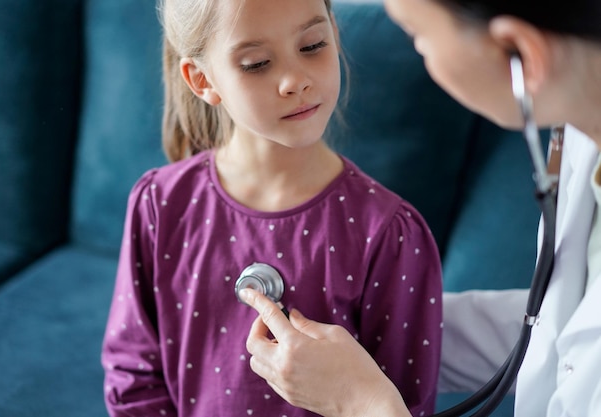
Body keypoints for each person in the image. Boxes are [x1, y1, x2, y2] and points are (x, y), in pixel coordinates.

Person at [239, 0, 601, 416]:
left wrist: (363, 403)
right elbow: (563, 323)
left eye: (418, 35)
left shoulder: (389, 224)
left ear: (520, 55)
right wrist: (389, 320)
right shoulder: (582, 137)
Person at [101, 0, 444, 416]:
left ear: (333, 33)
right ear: (202, 80)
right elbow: (133, 376)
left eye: (313, 45)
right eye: (257, 63)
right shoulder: (160, 204)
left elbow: (405, 404)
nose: (295, 80)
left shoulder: (390, 234)